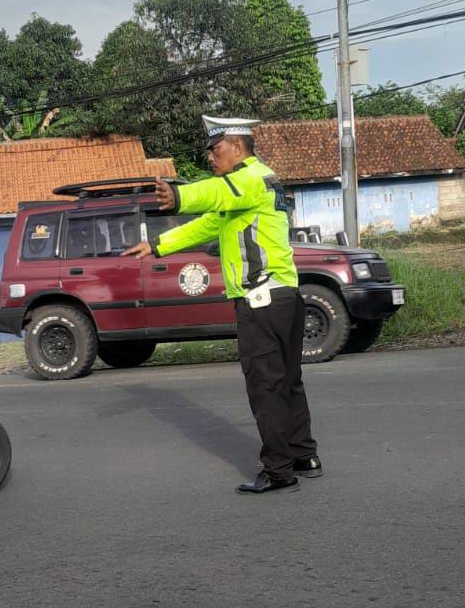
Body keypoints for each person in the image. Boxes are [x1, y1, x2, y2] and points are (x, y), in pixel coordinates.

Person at [123, 116, 322, 494]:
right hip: (284, 297)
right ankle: (303, 455)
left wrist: (179, 196)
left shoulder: (249, 179)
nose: (210, 158)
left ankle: (279, 470)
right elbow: (209, 223)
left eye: (215, 150)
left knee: (265, 386)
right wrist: (158, 245)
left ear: (237, 145)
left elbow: (211, 194)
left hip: (260, 299)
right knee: (287, 381)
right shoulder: (252, 188)